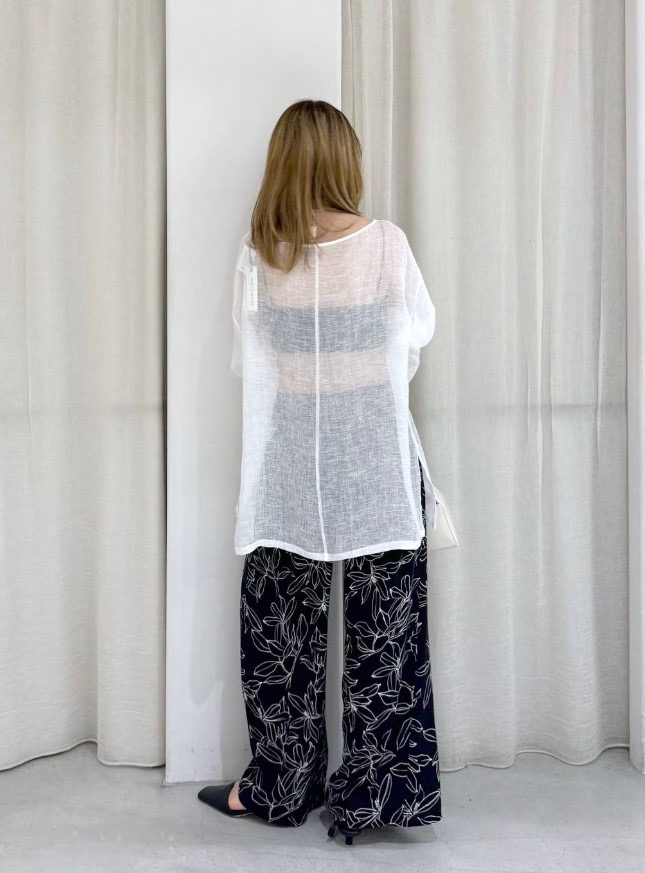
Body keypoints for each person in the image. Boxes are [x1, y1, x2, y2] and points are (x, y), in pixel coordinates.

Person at [198, 99, 441, 846]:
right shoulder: (386, 244)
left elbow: (248, 359)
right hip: (372, 452)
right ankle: (375, 797)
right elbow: (413, 342)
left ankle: (279, 784)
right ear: (345, 161)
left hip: (288, 453)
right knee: (386, 635)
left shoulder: (260, 252)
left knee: (280, 625)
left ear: (280, 161)